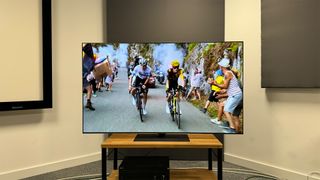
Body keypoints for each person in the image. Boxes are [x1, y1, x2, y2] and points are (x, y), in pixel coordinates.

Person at [213, 57, 243, 133]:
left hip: (235, 96)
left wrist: (214, 83)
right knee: (224, 106)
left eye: (220, 65)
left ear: (222, 66)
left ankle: (232, 128)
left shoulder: (227, 73)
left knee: (226, 110)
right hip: (234, 95)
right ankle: (232, 127)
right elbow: (227, 88)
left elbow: (225, 86)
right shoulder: (229, 73)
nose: (219, 67)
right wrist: (220, 93)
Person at [82, 43, 95, 111]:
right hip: (84, 75)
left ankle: (88, 103)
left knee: (87, 89)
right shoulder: (90, 57)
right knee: (89, 89)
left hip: (83, 74)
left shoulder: (85, 58)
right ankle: (88, 103)